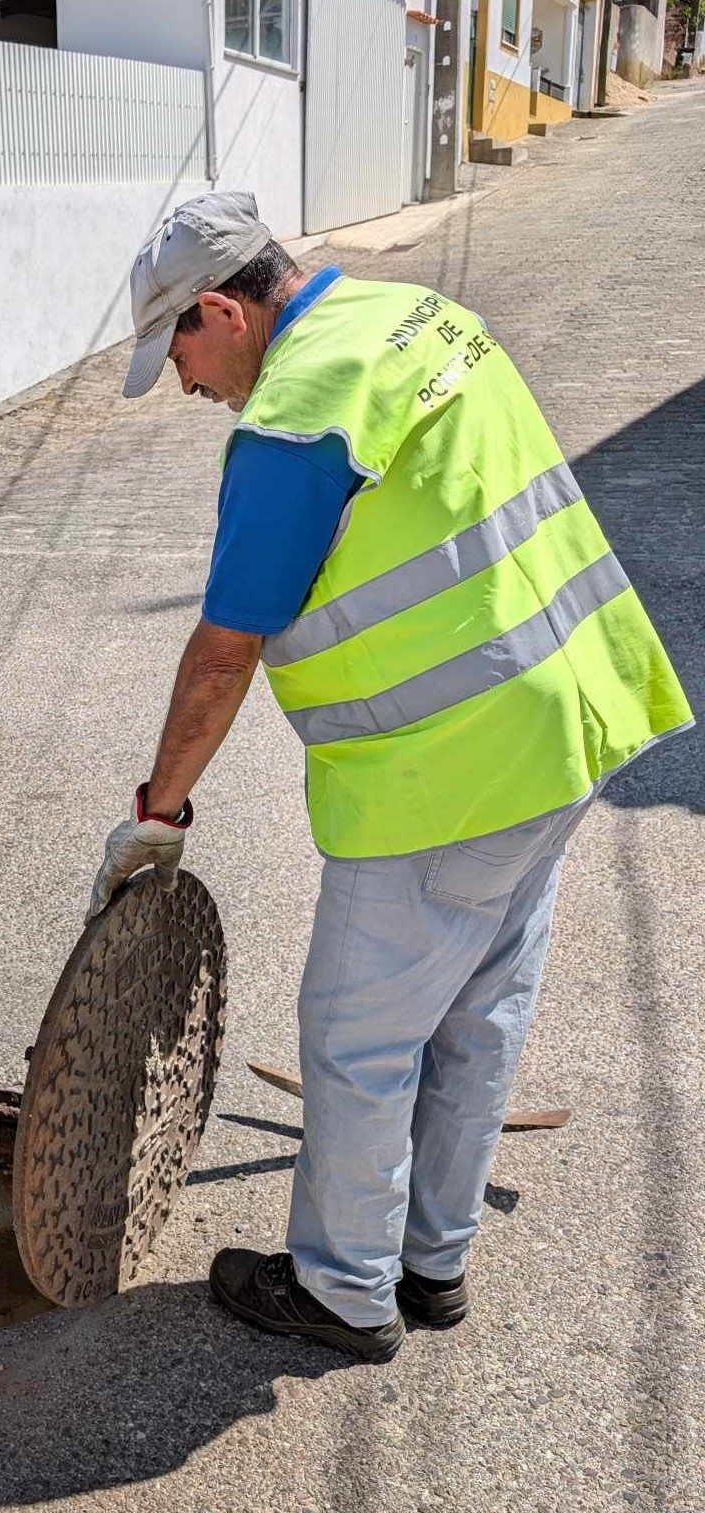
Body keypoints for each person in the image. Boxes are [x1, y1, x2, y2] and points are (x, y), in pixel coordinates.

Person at [89, 191, 693, 1362]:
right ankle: (433, 1264)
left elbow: (226, 648)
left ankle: (343, 1292)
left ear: (223, 309)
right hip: (565, 730)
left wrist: (158, 810)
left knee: (359, 1042)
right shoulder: (421, 318)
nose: (188, 384)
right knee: (478, 1013)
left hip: (441, 774)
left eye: (181, 353)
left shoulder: (300, 413)